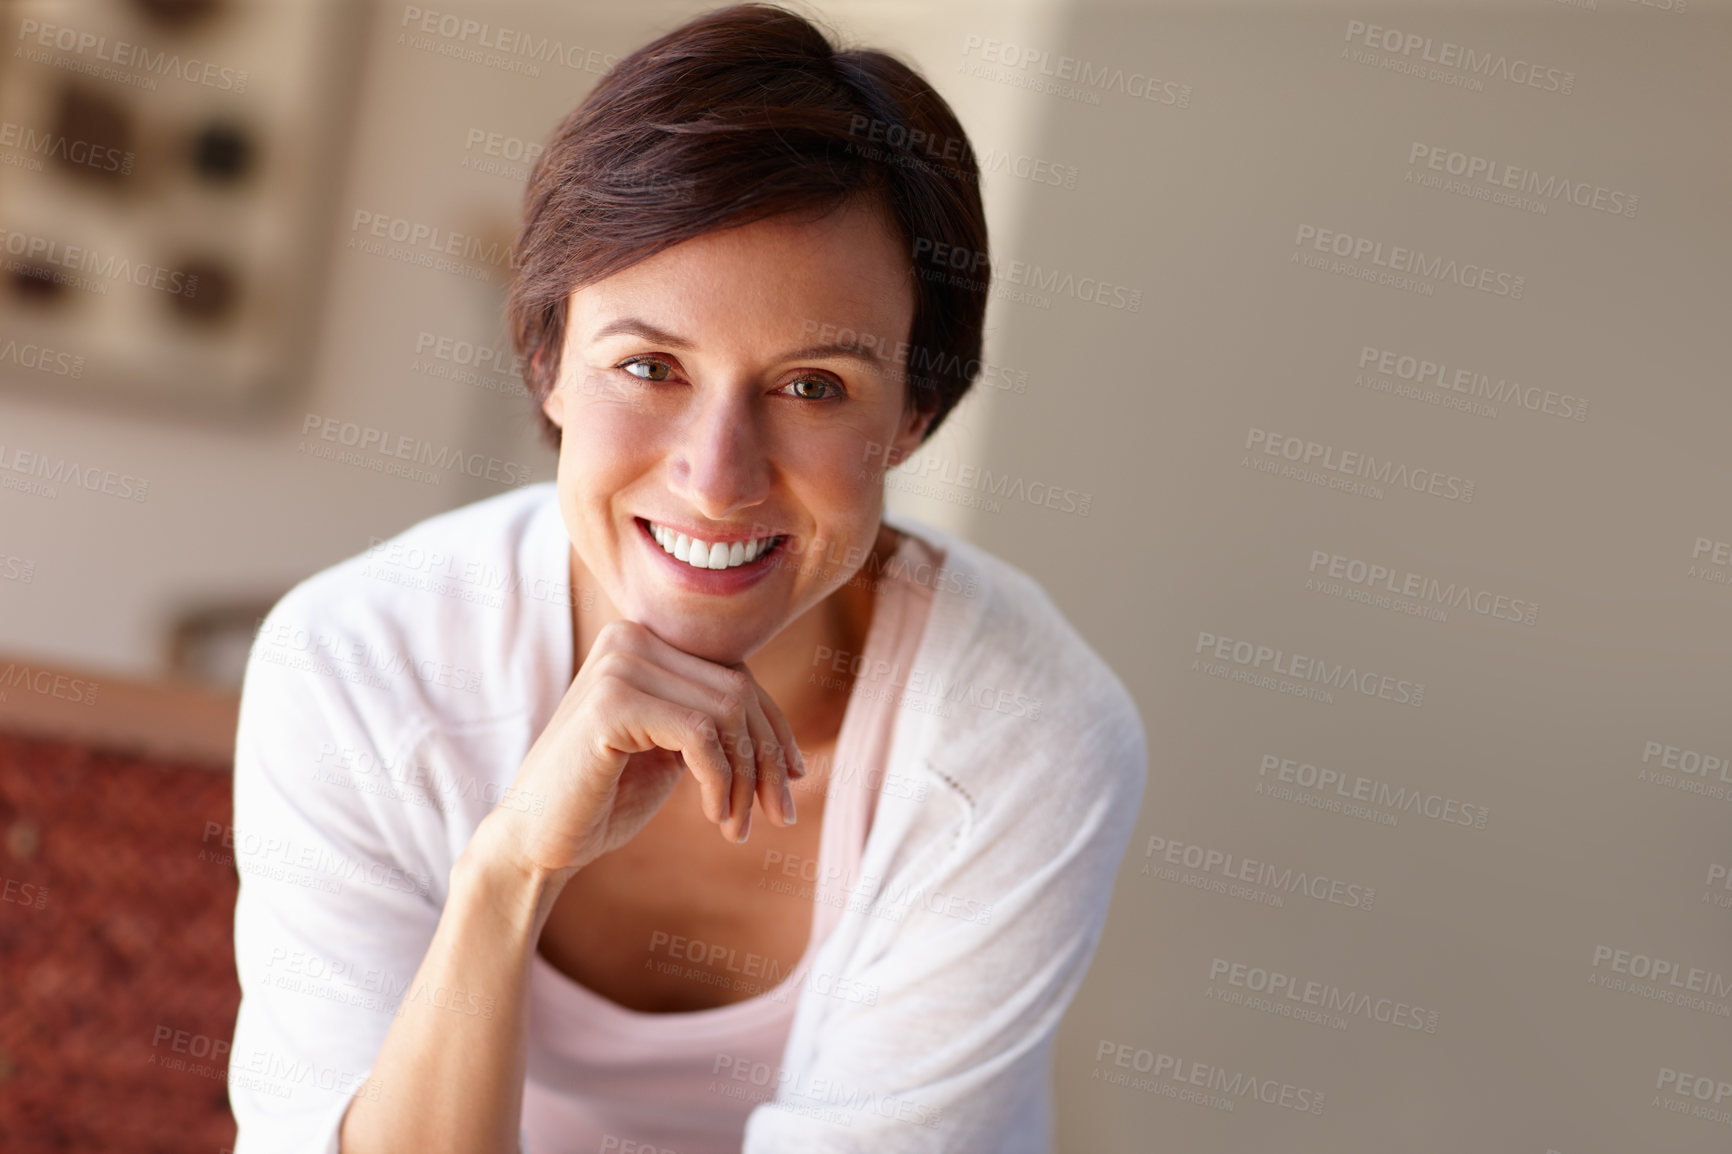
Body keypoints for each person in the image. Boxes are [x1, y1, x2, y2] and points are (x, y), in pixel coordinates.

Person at [227, 5, 1145, 1152]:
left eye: (813, 385)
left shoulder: (1021, 730)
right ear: (549, 362)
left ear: (911, 414)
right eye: (649, 365)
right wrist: (508, 871)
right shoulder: (360, 662)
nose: (717, 478)